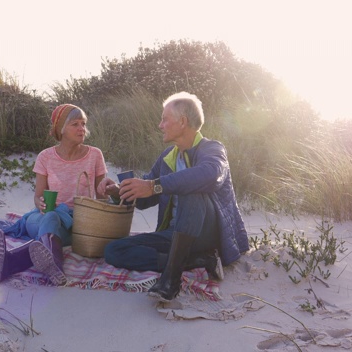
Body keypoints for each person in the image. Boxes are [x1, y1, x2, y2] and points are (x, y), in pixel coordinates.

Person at [97, 92, 249, 301]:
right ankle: (197, 260)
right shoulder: (168, 157)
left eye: (165, 119)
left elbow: (211, 174)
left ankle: (171, 279)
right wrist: (119, 191)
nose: (160, 125)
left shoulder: (212, 149)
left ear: (182, 122)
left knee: (190, 188)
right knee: (114, 251)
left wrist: (154, 185)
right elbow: (146, 199)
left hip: (209, 233)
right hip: (176, 235)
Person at [0, 104, 108, 286]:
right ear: (61, 129)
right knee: (50, 217)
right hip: (44, 217)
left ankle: (6, 264)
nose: (81, 128)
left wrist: (111, 188)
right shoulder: (45, 157)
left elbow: (102, 198)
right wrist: (41, 203)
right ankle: (54, 264)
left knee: (45, 240)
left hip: (78, 223)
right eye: (75, 124)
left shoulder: (95, 155)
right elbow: (38, 196)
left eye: (83, 124)